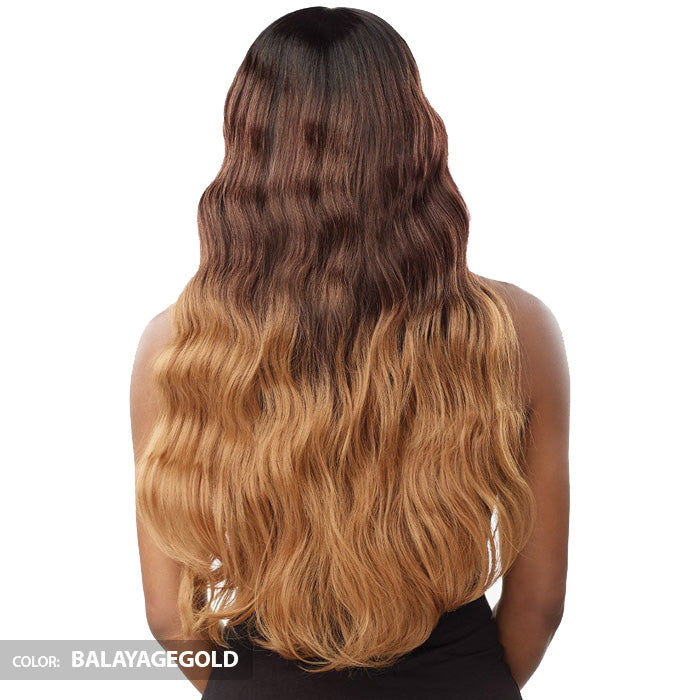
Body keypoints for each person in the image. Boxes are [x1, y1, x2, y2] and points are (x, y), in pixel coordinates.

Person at [130, 7, 569, 699]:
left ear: (250, 145)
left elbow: (168, 616)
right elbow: (539, 604)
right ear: (414, 136)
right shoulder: (514, 330)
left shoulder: (179, 346)